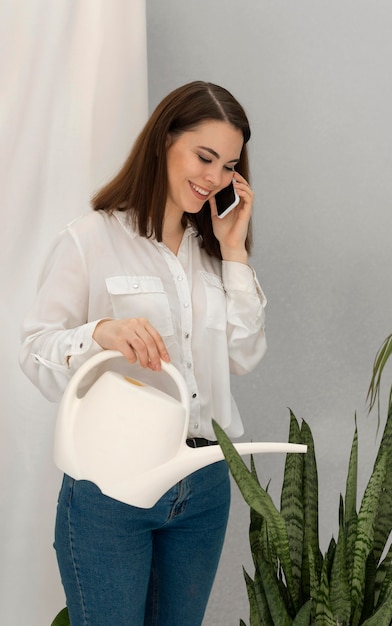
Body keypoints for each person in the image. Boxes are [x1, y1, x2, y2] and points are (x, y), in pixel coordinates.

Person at [20, 81, 267, 626]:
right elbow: (34, 349)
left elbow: (243, 355)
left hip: (203, 487)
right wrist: (101, 332)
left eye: (228, 166)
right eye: (204, 157)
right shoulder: (91, 239)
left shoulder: (213, 253)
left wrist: (233, 252)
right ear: (163, 140)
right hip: (113, 486)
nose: (214, 178)